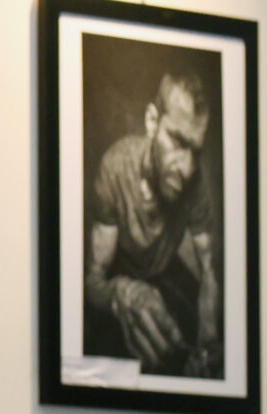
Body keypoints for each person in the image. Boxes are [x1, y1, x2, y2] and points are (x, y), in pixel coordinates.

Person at [83, 71, 219, 376]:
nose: (187, 168)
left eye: (195, 151)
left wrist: (208, 347)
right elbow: (93, 281)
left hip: (162, 275)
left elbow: (210, 274)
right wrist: (123, 294)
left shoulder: (195, 185)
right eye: (178, 142)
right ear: (152, 121)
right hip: (120, 274)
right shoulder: (116, 167)